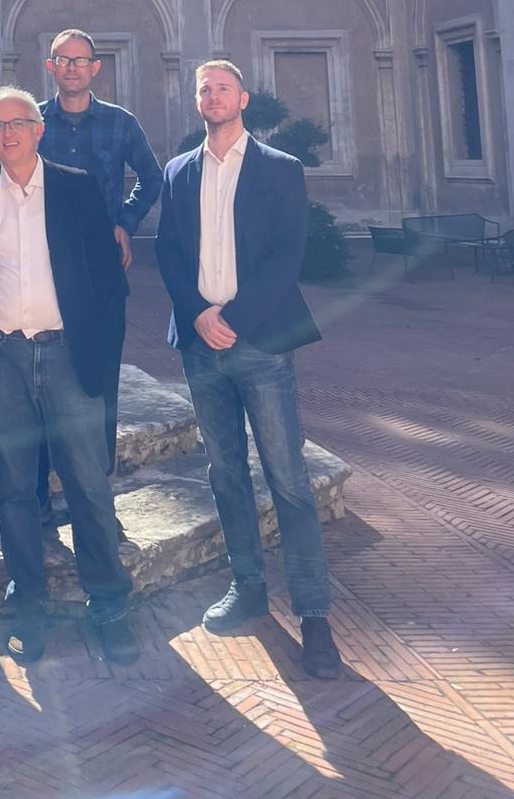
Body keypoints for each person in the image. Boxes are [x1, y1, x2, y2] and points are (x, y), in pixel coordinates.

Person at [154, 58, 341, 680]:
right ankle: (249, 587)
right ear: (197, 101)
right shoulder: (179, 171)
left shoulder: (280, 169)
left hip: (260, 341)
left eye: (223, 88)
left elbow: (288, 254)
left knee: (288, 479)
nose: (213, 96)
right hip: (199, 345)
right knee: (226, 473)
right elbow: (168, 251)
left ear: (243, 98)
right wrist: (198, 315)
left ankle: (314, 616)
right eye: (204, 89)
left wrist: (231, 318)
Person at [0, 88, 137, 666]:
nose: (8, 133)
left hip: (66, 356)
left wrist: (96, 353)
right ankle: (28, 605)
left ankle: (108, 603)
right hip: (1, 358)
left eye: (18, 123)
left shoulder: (76, 188)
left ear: (38, 129)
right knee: (14, 491)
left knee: (87, 484)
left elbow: (107, 278)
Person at [39, 27, 163, 513]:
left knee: (100, 375)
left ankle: (97, 488)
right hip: (43, 266)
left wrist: (125, 223)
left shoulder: (120, 123)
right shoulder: (33, 122)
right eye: (62, 59)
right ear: (50, 66)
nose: (71, 68)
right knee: (40, 375)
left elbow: (151, 177)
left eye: (80, 60)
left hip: (101, 271)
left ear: (95, 68)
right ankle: (39, 492)